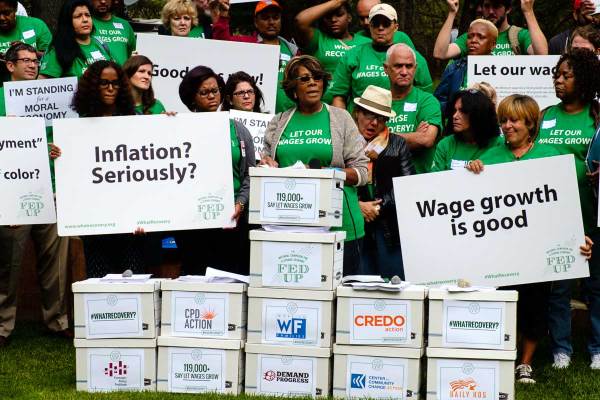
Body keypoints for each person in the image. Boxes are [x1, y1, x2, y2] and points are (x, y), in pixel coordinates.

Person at [467, 94, 591, 383]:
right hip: (499, 248)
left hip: (538, 249)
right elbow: (471, 200)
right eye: (504, 120)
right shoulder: (490, 156)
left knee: (534, 302)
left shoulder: (550, 157)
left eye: (514, 120)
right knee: (503, 300)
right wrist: (472, 171)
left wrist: (577, 237)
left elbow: (564, 203)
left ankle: (526, 362)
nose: (507, 126)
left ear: (531, 123)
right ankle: (503, 354)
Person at [260, 55, 369, 276]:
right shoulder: (278, 122)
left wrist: (330, 174)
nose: (312, 83)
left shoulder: (341, 118)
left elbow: (363, 172)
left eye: (317, 77)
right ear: (292, 87)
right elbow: (267, 163)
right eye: (305, 78)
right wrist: (266, 164)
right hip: (290, 225)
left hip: (340, 225)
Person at [0, 42, 71, 348]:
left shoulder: (54, 96)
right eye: (25, 61)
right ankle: (3, 326)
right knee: (8, 262)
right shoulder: (1, 99)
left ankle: (57, 322)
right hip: (15, 190)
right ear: (9, 65)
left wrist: (59, 147)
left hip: (54, 187)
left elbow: (70, 132)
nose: (32, 65)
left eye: (36, 60)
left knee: (55, 259)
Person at [537, 48, 600, 370]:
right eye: (556, 75)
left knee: (596, 285)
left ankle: (597, 348)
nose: (559, 81)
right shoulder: (545, 114)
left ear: (585, 79)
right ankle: (561, 349)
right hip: (555, 218)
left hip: (592, 214)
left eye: (567, 75)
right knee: (558, 286)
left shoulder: (597, 115)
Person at [66, 60, 150, 277]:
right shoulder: (76, 128)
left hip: (131, 225)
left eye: (115, 83)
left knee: (135, 288)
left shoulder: (136, 123)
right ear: (93, 87)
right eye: (104, 83)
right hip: (96, 224)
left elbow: (151, 170)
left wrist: (170, 124)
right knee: (99, 287)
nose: (111, 88)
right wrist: (58, 153)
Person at [177, 65, 255, 275]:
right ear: (192, 97)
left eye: (215, 91)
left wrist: (240, 203)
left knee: (231, 282)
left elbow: (249, 175)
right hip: (194, 224)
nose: (212, 96)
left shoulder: (238, 130)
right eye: (204, 92)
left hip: (232, 221)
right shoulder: (179, 129)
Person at [353, 85, 413, 278]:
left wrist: (377, 207)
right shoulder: (346, 143)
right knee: (360, 285)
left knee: (394, 284)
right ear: (357, 113)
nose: (374, 123)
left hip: (389, 227)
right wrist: (358, 206)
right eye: (369, 115)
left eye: (380, 119)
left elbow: (407, 186)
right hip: (355, 224)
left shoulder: (398, 144)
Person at [330, 4, 433, 112]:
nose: (380, 28)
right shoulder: (352, 55)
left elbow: (426, 96)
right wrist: (343, 125)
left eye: (386, 24)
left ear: (396, 27)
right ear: (369, 26)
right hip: (362, 123)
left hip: (403, 121)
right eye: (375, 24)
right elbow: (339, 97)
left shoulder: (411, 57)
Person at [210, 0, 298, 113]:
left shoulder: (292, 49)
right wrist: (223, 16)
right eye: (265, 18)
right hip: (257, 117)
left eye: (275, 17)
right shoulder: (248, 44)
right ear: (256, 22)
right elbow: (221, 41)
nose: (271, 22)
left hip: (288, 115)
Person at [384, 43, 441, 174]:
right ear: (386, 68)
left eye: (409, 66)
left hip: (418, 182)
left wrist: (381, 137)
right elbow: (364, 141)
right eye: (398, 66)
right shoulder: (376, 100)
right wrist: (414, 136)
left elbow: (426, 139)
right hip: (382, 185)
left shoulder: (427, 101)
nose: (404, 72)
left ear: (415, 68)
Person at [433, 0, 547, 60]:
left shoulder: (520, 35)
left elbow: (542, 56)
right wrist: (452, 13)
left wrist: (528, 11)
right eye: (487, 6)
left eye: (497, 6)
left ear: (508, 9)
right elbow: (440, 53)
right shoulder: (473, 37)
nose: (491, 11)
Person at [431, 89, 502, 172]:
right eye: (455, 110)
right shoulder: (446, 144)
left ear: (478, 114)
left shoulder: (498, 144)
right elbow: (435, 180)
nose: (455, 116)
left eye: (462, 111)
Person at [434, 19, 498, 112]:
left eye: (481, 37)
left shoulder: (504, 69)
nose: (473, 40)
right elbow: (440, 101)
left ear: (493, 45)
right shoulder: (454, 68)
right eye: (470, 37)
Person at [39, 0, 111, 78]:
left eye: (87, 15)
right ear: (68, 22)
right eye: (78, 16)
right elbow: (43, 85)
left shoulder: (100, 44)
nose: (85, 20)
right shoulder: (58, 49)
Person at [294, 0, 362, 80]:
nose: (333, 19)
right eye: (328, 16)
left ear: (349, 17)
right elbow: (300, 21)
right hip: (326, 92)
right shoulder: (318, 39)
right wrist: (337, 1)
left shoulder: (365, 42)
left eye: (339, 15)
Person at [91, 0, 136, 65]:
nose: (103, 1)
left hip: (122, 74)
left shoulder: (125, 25)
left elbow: (131, 57)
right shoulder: (86, 24)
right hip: (94, 74)